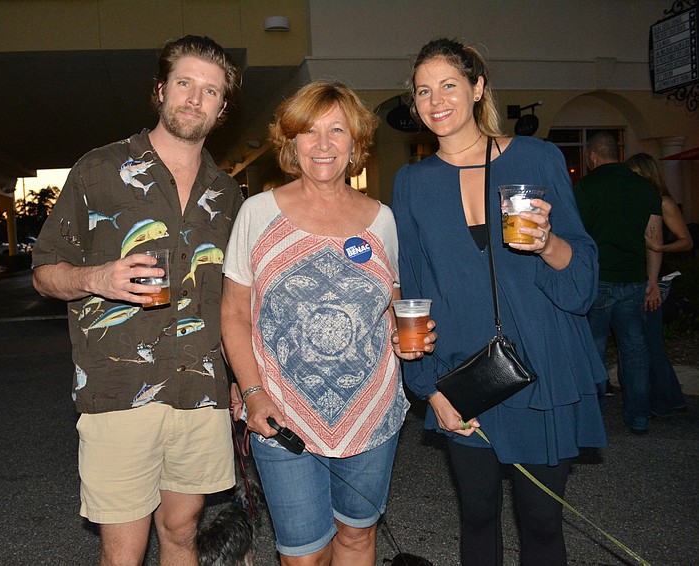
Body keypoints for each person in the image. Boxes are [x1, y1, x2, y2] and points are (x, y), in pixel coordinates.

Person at [392, 38, 607, 565]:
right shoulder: (413, 183)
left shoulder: (538, 157)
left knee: (540, 524)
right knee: (478, 516)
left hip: (544, 370)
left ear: (478, 87)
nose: (435, 100)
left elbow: (581, 282)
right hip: (466, 376)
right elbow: (411, 292)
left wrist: (549, 245)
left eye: (448, 85)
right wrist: (429, 389)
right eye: (423, 90)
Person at [31, 35, 243, 566]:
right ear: (160, 90)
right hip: (119, 390)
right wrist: (97, 277)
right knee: (123, 550)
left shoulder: (228, 193)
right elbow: (43, 273)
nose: (195, 99)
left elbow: (236, 300)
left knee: (182, 531)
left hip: (201, 392)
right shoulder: (98, 171)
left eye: (210, 91)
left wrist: (242, 378)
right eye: (185, 84)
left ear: (222, 109)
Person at [221, 80, 435, 566]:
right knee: (304, 555)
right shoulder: (257, 213)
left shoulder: (383, 219)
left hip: (370, 413)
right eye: (309, 131)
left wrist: (412, 341)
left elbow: (395, 301)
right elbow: (234, 313)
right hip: (282, 416)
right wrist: (252, 392)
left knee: (358, 537)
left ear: (356, 144)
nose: (322, 144)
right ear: (291, 142)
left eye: (336, 131)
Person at [573, 133, 663, 434]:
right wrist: (652, 281)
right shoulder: (645, 188)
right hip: (634, 280)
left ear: (593, 156)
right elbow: (654, 239)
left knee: (594, 351)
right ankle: (638, 417)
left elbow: (575, 237)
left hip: (598, 282)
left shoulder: (586, 187)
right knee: (635, 350)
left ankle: (595, 418)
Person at [624, 152, 693, 417]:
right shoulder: (637, 200)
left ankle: (666, 400)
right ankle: (669, 398)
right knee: (644, 343)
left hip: (655, 280)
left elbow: (686, 240)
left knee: (649, 343)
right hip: (638, 277)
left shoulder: (663, 201)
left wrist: (660, 246)